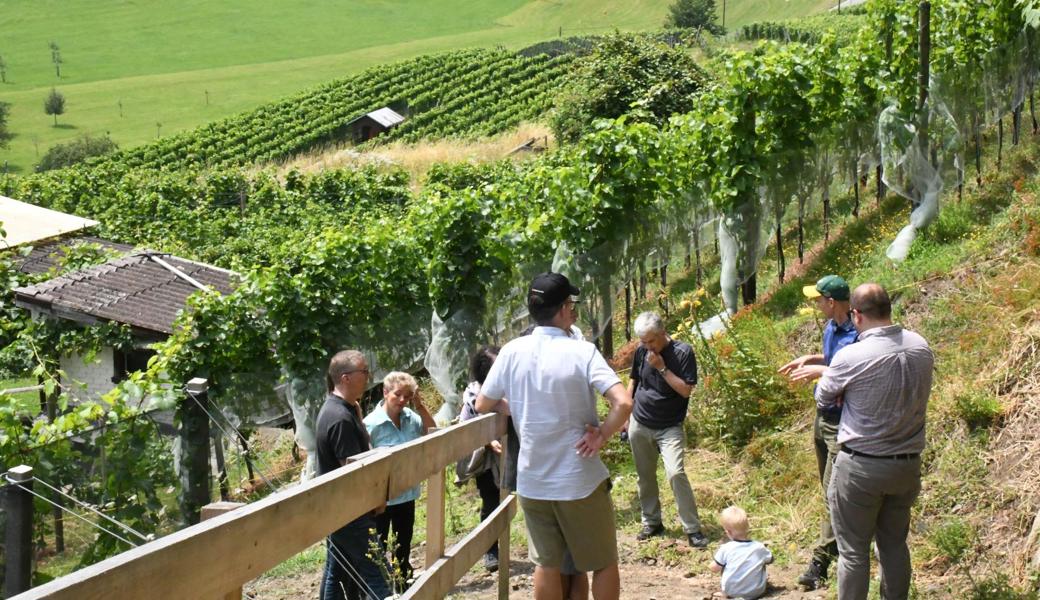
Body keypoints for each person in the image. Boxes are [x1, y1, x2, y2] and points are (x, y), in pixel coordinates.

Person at [476, 271, 633, 600]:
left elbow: (482, 403)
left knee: (546, 564)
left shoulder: (511, 351)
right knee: (603, 562)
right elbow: (623, 402)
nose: (574, 310)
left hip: (533, 480)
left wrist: (519, 406)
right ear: (563, 309)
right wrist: (602, 434)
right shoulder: (582, 351)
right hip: (578, 478)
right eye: (571, 303)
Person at [815, 283, 934, 600]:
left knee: (853, 552)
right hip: (907, 464)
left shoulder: (850, 356)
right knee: (894, 544)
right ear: (888, 308)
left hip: (861, 465)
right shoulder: (921, 346)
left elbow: (823, 397)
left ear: (856, 315)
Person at [778, 274, 857, 589]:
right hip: (822, 417)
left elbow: (856, 370)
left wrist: (823, 370)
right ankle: (840, 547)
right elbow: (835, 361)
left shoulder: (859, 334)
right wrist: (812, 359)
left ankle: (820, 562)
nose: (815, 304)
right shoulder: (830, 329)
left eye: (818, 299)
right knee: (828, 491)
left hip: (843, 421)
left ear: (832, 302)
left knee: (833, 493)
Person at [624, 311, 708, 548]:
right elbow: (633, 381)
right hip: (640, 422)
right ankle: (652, 522)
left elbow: (685, 391)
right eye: (643, 341)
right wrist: (625, 414)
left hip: (670, 425)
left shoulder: (683, 352)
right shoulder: (642, 351)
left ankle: (692, 529)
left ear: (663, 333)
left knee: (675, 473)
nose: (648, 346)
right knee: (645, 475)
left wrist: (662, 368)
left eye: (652, 340)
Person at [317, 350, 392, 600]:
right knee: (379, 573)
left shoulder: (345, 410)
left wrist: (359, 418)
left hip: (341, 510)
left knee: (336, 571)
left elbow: (363, 449)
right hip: (349, 511)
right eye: (364, 371)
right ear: (346, 377)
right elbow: (353, 472)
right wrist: (375, 499)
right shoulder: (339, 418)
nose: (368, 377)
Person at [364, 371, 435, 583]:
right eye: (398, 395)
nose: (403, 400)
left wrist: (420, 406)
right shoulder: (371, 425)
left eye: (408, 396)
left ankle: (402, 584)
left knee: (404, 543)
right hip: (381, 499)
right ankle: (378, 589)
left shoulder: (411, 418)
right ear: (385, 393)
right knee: (379, 545)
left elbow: (433, 431)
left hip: (406, 493)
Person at [456, 345, 506, 573]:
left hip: (512, 455)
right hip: (487, 461)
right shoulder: (472, 396)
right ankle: (491, 550)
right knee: (491, 502)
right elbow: (465, 429)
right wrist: (487, 440)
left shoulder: (511, 390)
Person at [710, 506, 773, 600]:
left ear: (728, 532)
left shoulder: (726, 548)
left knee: (723, 564)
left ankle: (728, 592)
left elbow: (714, 568)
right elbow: (771, 559)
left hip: (732, 592)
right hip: (757, 592)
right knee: (762, 561)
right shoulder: (759, 547)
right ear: (747, 527)